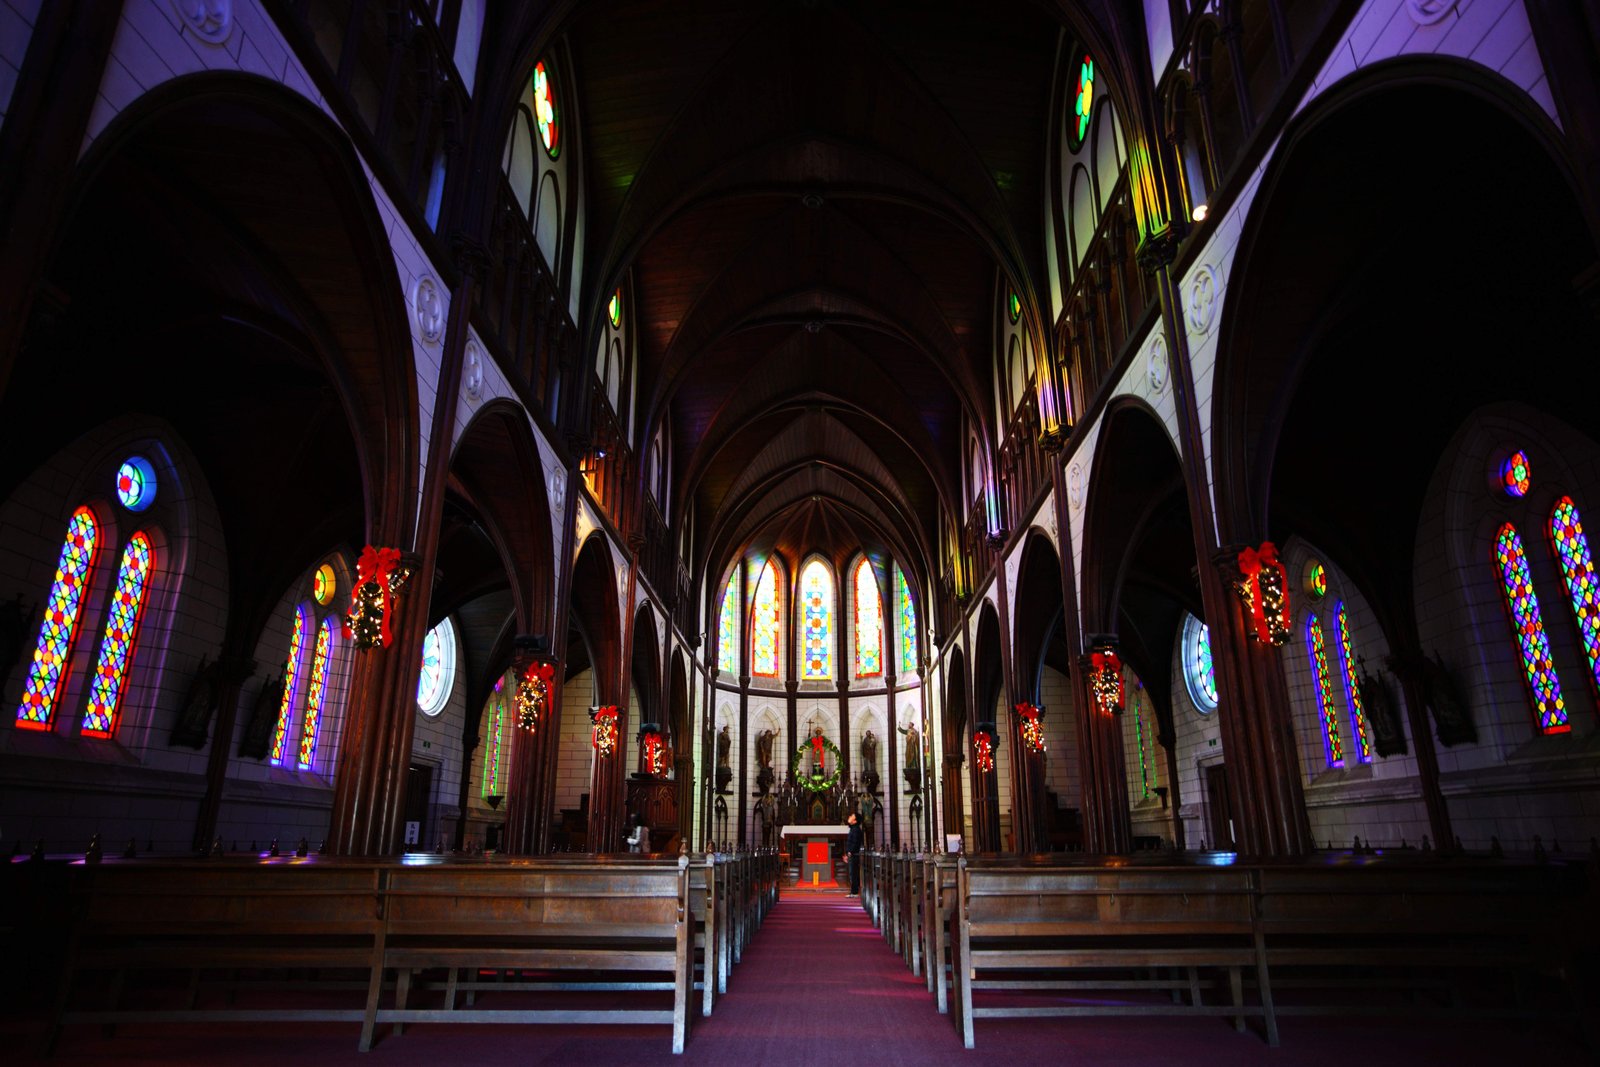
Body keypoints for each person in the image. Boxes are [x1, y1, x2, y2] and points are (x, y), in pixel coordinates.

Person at [844, 811, 863, 896]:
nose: (850, 816)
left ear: (855, 821)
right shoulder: (853, 828)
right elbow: (851, 842)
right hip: (852, 853)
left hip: (854, 854)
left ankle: (854, 892)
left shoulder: (855, 829)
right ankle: (853, 891)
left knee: (853, 873)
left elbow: (855, 843)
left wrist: (850, 852)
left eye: (852, 816)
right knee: (852, 873)